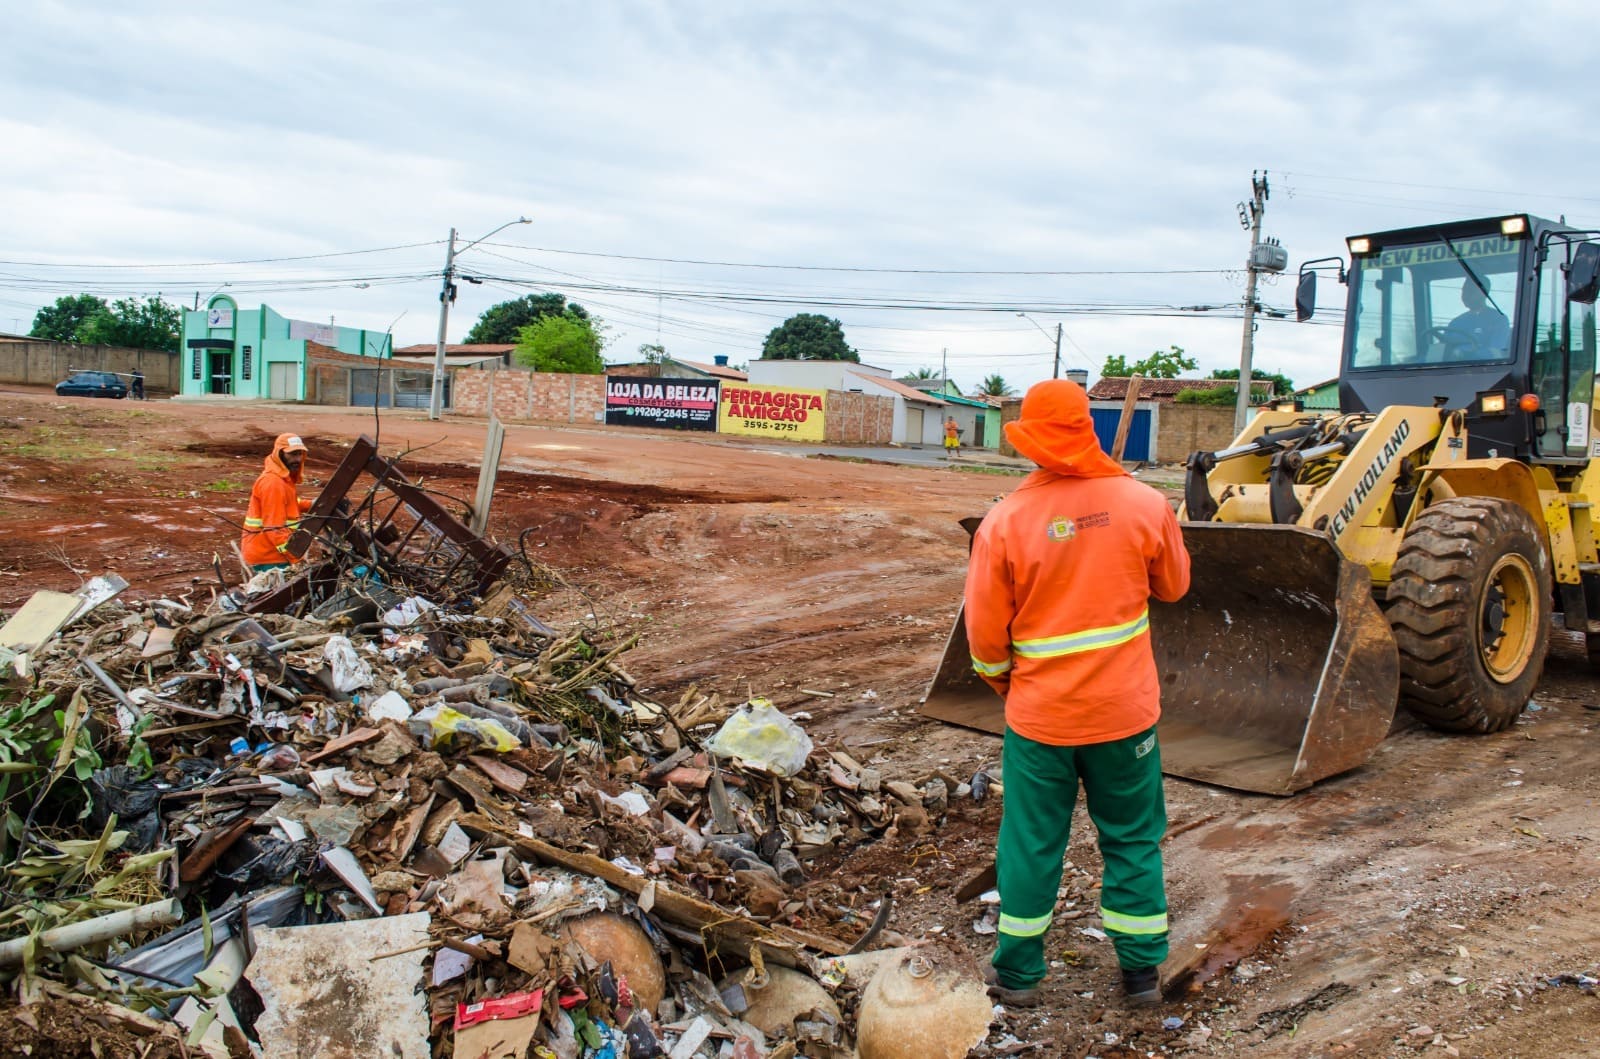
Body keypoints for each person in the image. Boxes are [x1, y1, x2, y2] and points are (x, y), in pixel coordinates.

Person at [964, 379, 1191, 1008]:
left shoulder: (1005, 521)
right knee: (1132, 838)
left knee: (1032, 843)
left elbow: (984, 642)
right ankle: (1142, 976)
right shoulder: (1146, 503)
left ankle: (1018, 978)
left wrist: (1011, 686)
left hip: (1041, 723)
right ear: (1085, 429)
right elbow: (1173, 587)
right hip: (1126, 717)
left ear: (1030, 440)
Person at [240, 434, 314, 574]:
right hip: (269, 557)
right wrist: (295, 558)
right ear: (279, 454)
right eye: (292, 454)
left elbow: (289, 504)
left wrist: (311, 504)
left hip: (269, 553)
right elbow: (274, 529)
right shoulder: (273, 484)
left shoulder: (283, 480)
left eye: (299, 454)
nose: (297, 459)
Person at [1442, 282, 1510, 357]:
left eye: (1470, 291)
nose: (1465, 295)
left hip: (1484, 367)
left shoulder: (1499, 319)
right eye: (1464, 291)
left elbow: (1495, 352)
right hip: (1453, 367)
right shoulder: (1455, 322)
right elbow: (1443, 349)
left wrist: (1464, 355)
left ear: (1484, 293)